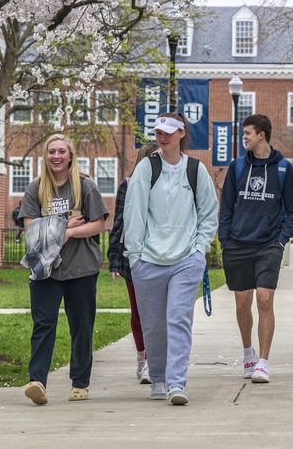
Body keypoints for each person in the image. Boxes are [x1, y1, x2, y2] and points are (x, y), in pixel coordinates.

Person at [123, 112, 219, 405]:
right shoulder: (145, 169)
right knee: (153, 325)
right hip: (148, 261)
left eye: (167, 132)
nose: (161, 137)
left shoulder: (195, 169)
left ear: (181, 133)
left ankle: (177, 384)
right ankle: (160, 378)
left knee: (178, 319)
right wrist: (135, 257)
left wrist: (200, 249)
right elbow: (134, 213)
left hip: (186, 259)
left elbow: (208, 211)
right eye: (158, 132)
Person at [19, 134, 109, 405]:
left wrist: (66, 234)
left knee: (81, 326)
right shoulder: (35, 189)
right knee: (43, 323)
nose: (56, 156)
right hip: (45, 269)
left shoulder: (85, 186)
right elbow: (30, 231)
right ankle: (37, 381)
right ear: (45, 156)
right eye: (51, 152)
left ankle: (80, 383)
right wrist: (66, 226)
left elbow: (98, 225)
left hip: (81, 268)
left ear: (70, 155)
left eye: (61, 151)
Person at [218, 114, 293, 384]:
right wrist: (225, 240)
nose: (244, 138)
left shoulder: (283, 168)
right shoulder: (237, 167)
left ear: (261, 135)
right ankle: (248, 353)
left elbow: (292, 212)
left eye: (248, 134)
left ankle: (263, 362)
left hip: (268, 245)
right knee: (242, 304)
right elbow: (226, 207)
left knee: (264, 299)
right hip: (237, 245)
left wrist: (280, 240)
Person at [107, 142, 159, 385]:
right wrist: (115, 260)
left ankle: (153, 361)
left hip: (162, 257)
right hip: (134, 258)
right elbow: (119, 223)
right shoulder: (128, 185)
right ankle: (142, 357)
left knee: (158, 314)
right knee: (139, 314)